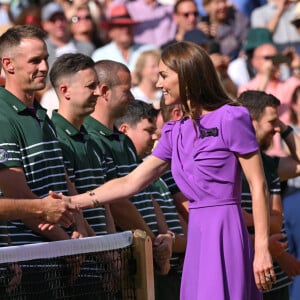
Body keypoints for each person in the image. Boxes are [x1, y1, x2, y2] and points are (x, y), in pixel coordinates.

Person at [61, 41, 274, 299]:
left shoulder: (231, 117)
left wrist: (261, 248)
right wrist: (73, 202)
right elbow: (130, 182)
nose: (158, 83)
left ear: (186, 76)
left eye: (164, 76)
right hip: (197, 235)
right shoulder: (175, 130)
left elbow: (259, 186)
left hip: (226, 231)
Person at [238, 90, 300, 300]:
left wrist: (283, 128)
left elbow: (275, 222)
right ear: (249, 122)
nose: (275, 128)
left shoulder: (268, 163)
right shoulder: (227, 161)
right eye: (271, 122)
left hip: (276, 277)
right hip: (249, 274)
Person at [49, 52, 117, 237]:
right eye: (90, 86)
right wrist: (101, 249)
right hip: (81, 255)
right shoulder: (53, 139)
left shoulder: (94, 141)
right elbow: (67, 204)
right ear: (65, 91)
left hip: (106, 257)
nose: (97, 92)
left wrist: (111, 245)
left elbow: (106, 206)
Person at [91, 4, 156, 72]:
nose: (125, 30)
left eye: (128, 25)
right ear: (110, 31)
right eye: (120, 26)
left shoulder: (149, 50)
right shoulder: (100, 55)